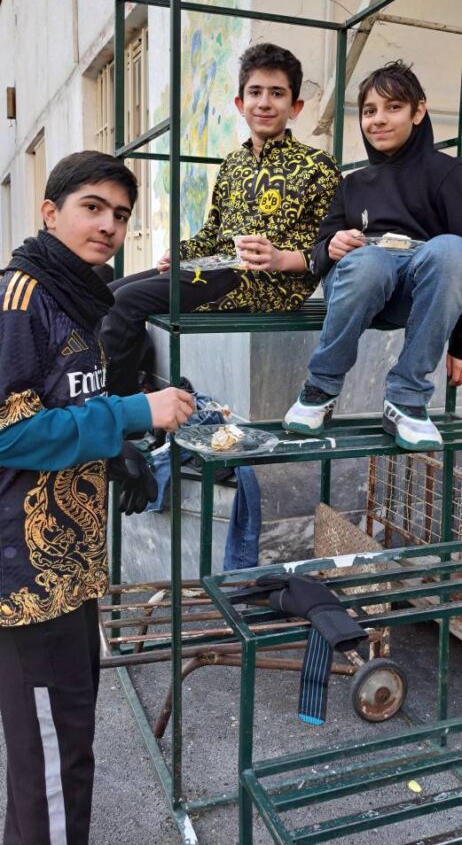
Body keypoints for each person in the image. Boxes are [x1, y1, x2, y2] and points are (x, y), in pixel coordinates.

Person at [0, 151, 194, 845]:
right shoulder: (22, 300)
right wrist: (133, 413)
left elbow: (66, 404)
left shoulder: (78, 297)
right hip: (29, 577)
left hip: (72, 570)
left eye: (120, 214)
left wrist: (118, 448)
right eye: (92, 207)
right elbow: (8, 434)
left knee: (61, 748)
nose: (109, 225)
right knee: (53, 765)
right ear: (49, 212)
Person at [101, 42, 341, 395]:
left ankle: (124, 410)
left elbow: (329, 248)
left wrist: (280, 258)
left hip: (272, 285)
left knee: (126, 302)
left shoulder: (318, 166)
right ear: (240, 104)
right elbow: (212, 233)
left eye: (277, 93)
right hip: (218, 268)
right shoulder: (232, 165)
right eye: (255, 92)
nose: (264, 102)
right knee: (107, 294)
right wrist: (181, 252)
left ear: (295, 107)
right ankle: (135, 387)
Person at [284, 60, 462, 451]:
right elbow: (318, 253)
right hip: (359, 284)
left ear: (418, 111)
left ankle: (407, 399)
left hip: (413, 296)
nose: (378, 119)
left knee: (452, 248)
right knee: (371, 261)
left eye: (393, 107)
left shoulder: (449, 174)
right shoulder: (353, 185)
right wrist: (331, 245)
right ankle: (321, 388)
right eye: (368, 111)